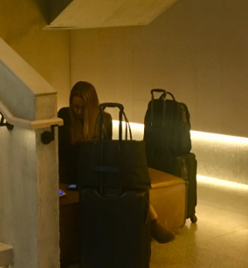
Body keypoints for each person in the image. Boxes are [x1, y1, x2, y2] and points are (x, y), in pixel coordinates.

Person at [58, 81, 176, 244]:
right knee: (122, 184)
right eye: (75, 107)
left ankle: (150, 224)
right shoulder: (64, 116)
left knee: (131, 180)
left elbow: (108, 152)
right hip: (73, 175)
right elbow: (61, 154)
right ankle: (152, 224)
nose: (78, 112)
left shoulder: (104, 120)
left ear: (92, 106)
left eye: (82, 108)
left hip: (97, 172)